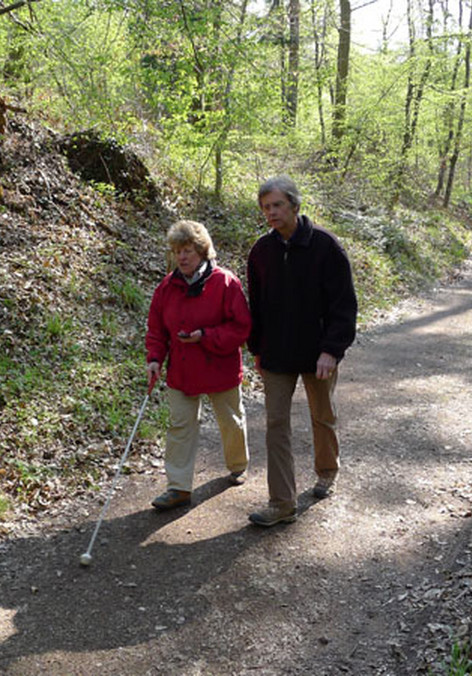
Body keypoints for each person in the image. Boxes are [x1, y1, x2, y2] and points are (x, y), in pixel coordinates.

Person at [245, 176, 358, 526]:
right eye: (266, 207)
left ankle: (327, 471)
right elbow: (257, 306)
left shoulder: (326, 246)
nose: (271, 213)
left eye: (277, 205)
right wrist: (257, 348)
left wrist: (331, 350)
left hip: (318, 352)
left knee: (322, 415)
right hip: (277, 353)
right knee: (276, 424)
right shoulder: (261, 251)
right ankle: (282, 502)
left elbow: (344, 305)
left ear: (294, 205)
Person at [145, 220, 252, 510]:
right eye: (178, 251)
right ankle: (178, 488)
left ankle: (238, 465)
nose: (182, 256)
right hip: (182, 371)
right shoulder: (166, 288)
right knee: (180, 425)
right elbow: (156, 330)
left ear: (202, 251)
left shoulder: (226, 282)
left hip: (219, 367)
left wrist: (205, 336)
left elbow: (241, 328)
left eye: (188, 250)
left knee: (231, 420)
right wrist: (154, 359)